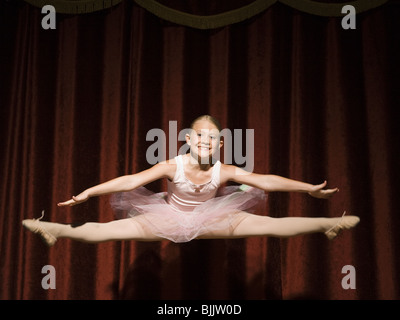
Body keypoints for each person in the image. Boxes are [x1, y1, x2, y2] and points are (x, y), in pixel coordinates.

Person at [22, 115, 359, 247]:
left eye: (211, 139)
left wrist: (309, 189)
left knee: (267, 224)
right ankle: (56, 230)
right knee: (109, 231)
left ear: (221, 145)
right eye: (199, 137)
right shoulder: (173, 164)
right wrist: (88, 192)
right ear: (188, 139)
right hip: (168, 217)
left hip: (211, 217)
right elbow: (130, 181)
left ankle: (327, 224)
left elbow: (266, 181)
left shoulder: (223, 170)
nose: (204, 143)